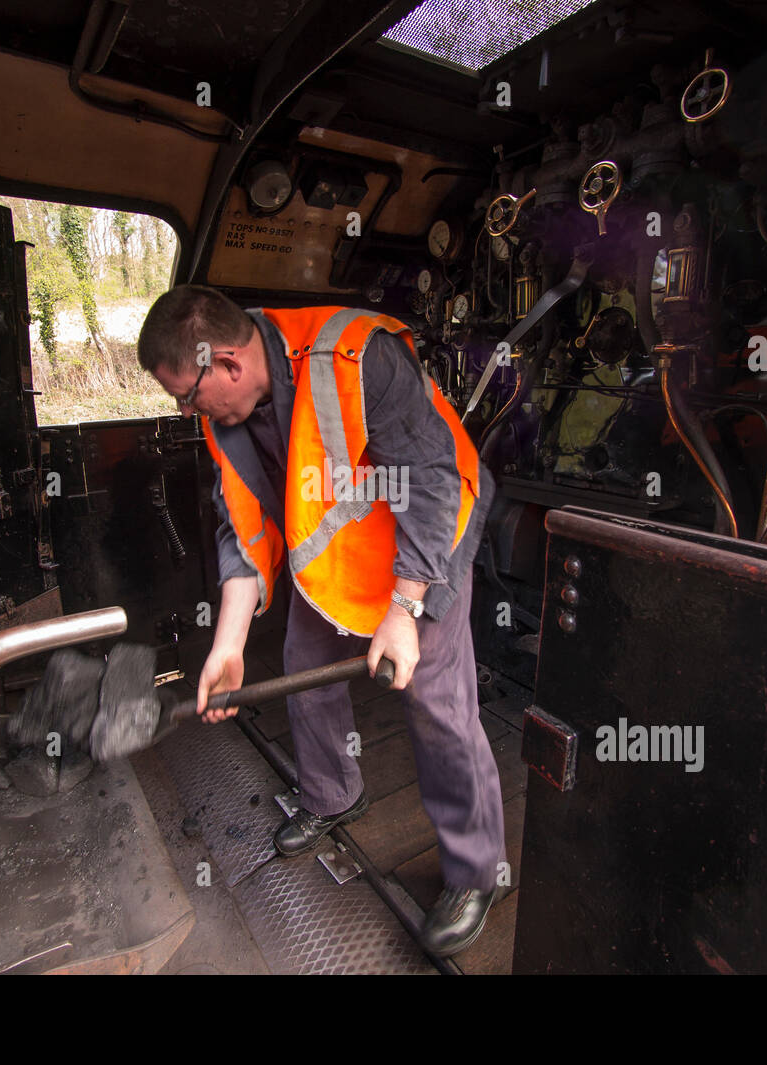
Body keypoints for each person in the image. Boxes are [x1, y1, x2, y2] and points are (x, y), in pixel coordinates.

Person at [138, 285, 505, 957]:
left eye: (188, 396)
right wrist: (228, 643)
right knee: (306, 667)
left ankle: (478, 869)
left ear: (227, 364)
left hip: (426, 542)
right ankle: (334, 793)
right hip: (339, 555)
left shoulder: (357, 355)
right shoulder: (226, 417)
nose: (185, 410)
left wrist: (406, 606)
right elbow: (243, 529)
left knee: (435, 701)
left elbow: (431, 481)